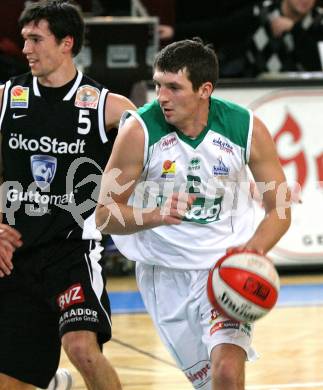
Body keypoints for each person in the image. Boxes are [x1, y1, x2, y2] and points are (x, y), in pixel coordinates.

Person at [95, 38, 291, 389]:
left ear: (205, 90)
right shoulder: (138, 131)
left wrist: (253, 250)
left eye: (173, 87)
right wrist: (154, 214)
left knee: (228, 372)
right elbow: (104, 216)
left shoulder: (244, 127)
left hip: (223, 267)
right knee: (206, 383)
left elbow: (280, 208)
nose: (162, 97)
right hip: (165, 272)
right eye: (157, 85)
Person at [0, 0, 135, 389]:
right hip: (18, 254)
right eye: (24, 39)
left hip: (73, 251)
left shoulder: (108, 106)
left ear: (66, 43)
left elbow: (154, 151)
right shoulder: (8, 98)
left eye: (35, 39)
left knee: (82, 349)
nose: (25, 48)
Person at [245, 0, 323, 76]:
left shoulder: (319, 20)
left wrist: (294, 29)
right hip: (255, 84)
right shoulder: (260, 10)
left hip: (301, 87)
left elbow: (317, 65)